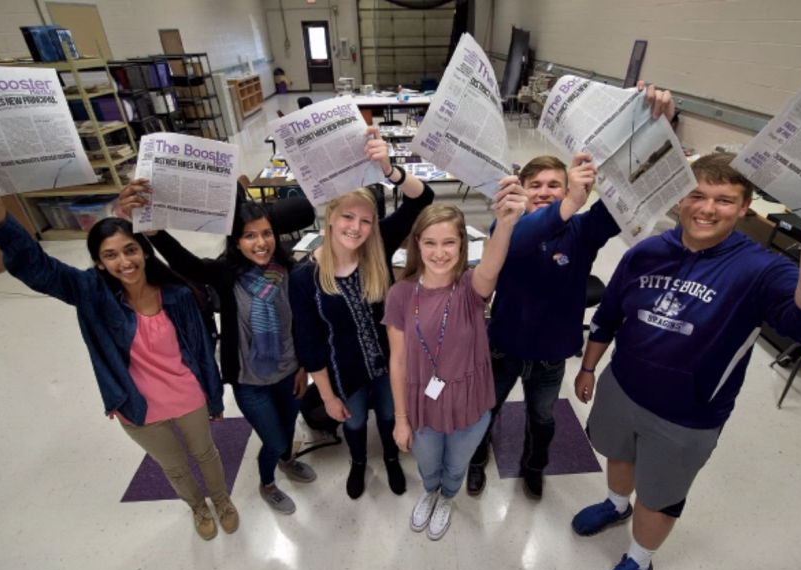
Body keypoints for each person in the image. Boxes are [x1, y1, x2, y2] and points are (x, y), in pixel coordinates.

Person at [571, 153, 801, 570]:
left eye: (724, 199)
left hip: (687, 413)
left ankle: (639, 560)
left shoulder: (760, 269)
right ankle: (616, 504)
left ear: (744, 207)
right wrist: (587, 367)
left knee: (659, 497)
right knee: (618, 454)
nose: (707, 208)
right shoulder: (646, 251)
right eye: (697, 194)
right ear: (680, 198)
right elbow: (610, 313)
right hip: (622, 385)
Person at [466, 83, 676, 499]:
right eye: (536, 185)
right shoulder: (506, 226)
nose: (544, 192)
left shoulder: (583, 229)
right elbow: (524, 240)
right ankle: (475, 460)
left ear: (569, 188)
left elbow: (630, 190)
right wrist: (567, 206)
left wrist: (660, 127)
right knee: (485, 411)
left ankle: (533, 466)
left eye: (555, 185)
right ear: (521, 191)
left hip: (550, 353)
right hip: (503, 346)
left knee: (543, 416)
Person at [0, 198, 236, 540]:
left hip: (188, 396)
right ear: (98, 262)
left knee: (205, 453)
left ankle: (223, 501)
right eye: (111, 255)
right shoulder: (93, 295)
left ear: (145, 251)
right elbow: (39, 268)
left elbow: (200, 352)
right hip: (137, 405)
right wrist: (2, 221)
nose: (124, 261)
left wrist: (214, 399)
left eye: (130, 250)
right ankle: (198, 506)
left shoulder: (177, 295)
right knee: (175, 467)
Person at [118, 188, 316, 516]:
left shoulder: (288, 271)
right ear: (236, 241)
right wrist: (153, 230)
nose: (261, 242)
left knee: (288, 426)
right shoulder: (227, 275)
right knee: (276, 438)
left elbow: (303, 325)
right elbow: (185, 263)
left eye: (266, 233)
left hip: (290, 373)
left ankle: (286, 461)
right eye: (249, 235)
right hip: (251, 383)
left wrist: (303, 367)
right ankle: (268, 483)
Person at [289, 126, 435, 500]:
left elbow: (423, 199)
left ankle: (389, 457)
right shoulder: (305, 276)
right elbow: (309, 342)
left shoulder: (378, 245)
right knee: (353, 420)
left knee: (388, 414)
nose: (357, 228)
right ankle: (358, 462)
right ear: (331, 218)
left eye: (366, 220)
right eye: (348, 218)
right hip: (343, 368)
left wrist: (389, 169)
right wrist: (326, 394)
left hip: (390, 361)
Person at [384, 181, 527, 540]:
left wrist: (506, 223)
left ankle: (448, 496)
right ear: (416, 244)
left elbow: (491, 268)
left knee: (456, 465)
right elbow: (398, 362)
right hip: (422, 404)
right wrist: (400, 419)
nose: (439, 252)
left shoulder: (469, 288)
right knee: (428, 464)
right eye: (429, 242)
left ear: (462, 244)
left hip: (470, 400)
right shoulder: (401, 294)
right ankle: (430, 492)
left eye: (449, 242)